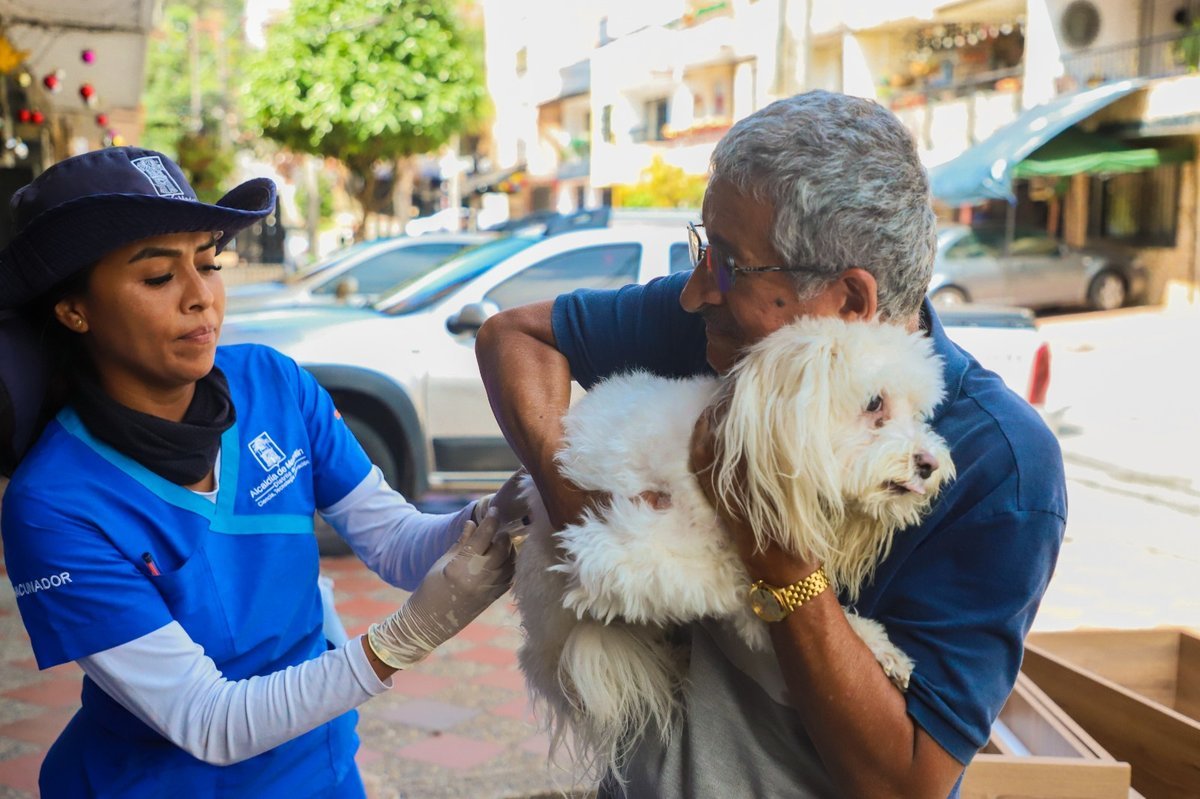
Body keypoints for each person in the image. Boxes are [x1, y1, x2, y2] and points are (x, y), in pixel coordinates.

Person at [475, 90, 1067, 798]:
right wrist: (578, 503)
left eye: (727, 263)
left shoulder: (1000, 466)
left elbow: (907, 781)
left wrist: (771, 547)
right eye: (704, 249)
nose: (696, 292)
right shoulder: (723, 325)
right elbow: (515, 336)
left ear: (849, 301)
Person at [0, 147, 525, 797]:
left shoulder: (271, 382)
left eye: (207, 262)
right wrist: (404, 637)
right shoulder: (53, 504)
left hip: (319, 768)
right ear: (74, 310)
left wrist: (500, 514)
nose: (201, 297)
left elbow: (394, 542)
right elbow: (206, 718)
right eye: (158, 277)